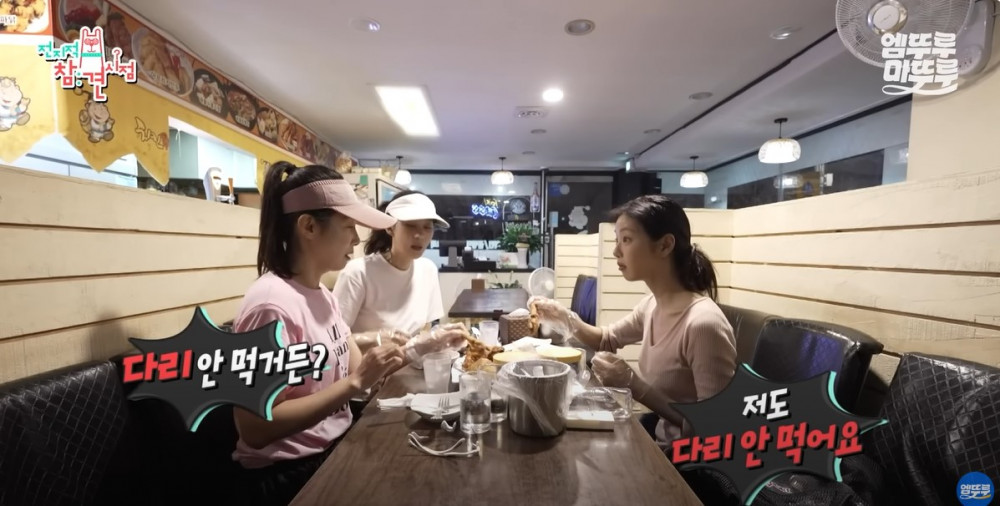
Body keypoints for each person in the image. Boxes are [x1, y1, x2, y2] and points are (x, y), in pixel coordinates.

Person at [232, 162, 467, 506]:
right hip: (289, 473)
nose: (357, 239)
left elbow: (364, 374)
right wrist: (354, 384)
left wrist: (423, 346)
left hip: (335, 446)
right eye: (348, 227)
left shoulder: (321, 295)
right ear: (309, 226)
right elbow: (254, 428)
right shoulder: (270, 305)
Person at [530, 194, 737, 450]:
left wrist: (634, 385)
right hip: (660, 442)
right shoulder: (651, 305)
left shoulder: (703, 324)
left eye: (626, 240)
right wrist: (564, 316)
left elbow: (716, 429)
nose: (616, 251)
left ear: (664, 245)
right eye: (617, 240)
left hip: (688, 463)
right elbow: (607, 339)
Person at [332, 190, 451, 353]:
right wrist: (377, 338)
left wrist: (442, 338)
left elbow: (426, 328)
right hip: (369, 366)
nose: (420, 235)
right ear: (390, 228)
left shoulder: (428, 269)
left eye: (427, 227)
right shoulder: (358, 273)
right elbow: (331, 340)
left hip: (413, 363)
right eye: (410, 225)